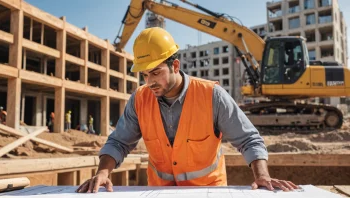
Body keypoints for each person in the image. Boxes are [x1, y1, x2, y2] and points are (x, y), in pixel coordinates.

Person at [76, 27, 299, 193]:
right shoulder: (139, 100)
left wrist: (262, 176)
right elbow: (119, 142)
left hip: (208, 192)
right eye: (145, 75)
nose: (150, 81)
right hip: (159, 192)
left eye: (156, 72)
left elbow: (249, 140)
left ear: (175, 65)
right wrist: (103, 173)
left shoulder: (212, 96)